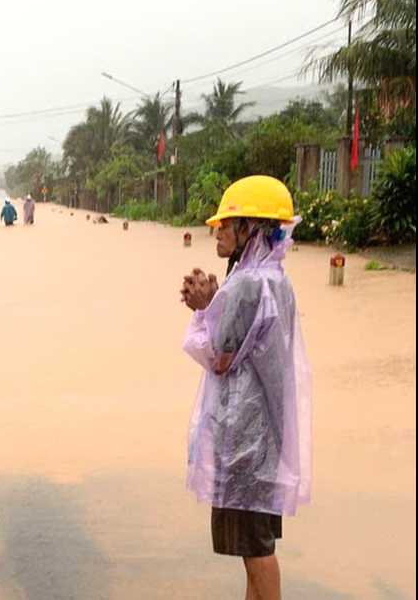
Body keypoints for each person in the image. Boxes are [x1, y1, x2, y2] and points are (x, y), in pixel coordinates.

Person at [180, 176, 312, 600]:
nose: (218, 231)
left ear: (251, 229)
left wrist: (204, 309)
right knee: (254, 546)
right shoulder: (276, 279)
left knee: (255, 550)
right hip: (265, 435)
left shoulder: (248, 284)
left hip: (244, 441)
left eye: (227, 224)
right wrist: (218, 303)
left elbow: (219, 357)